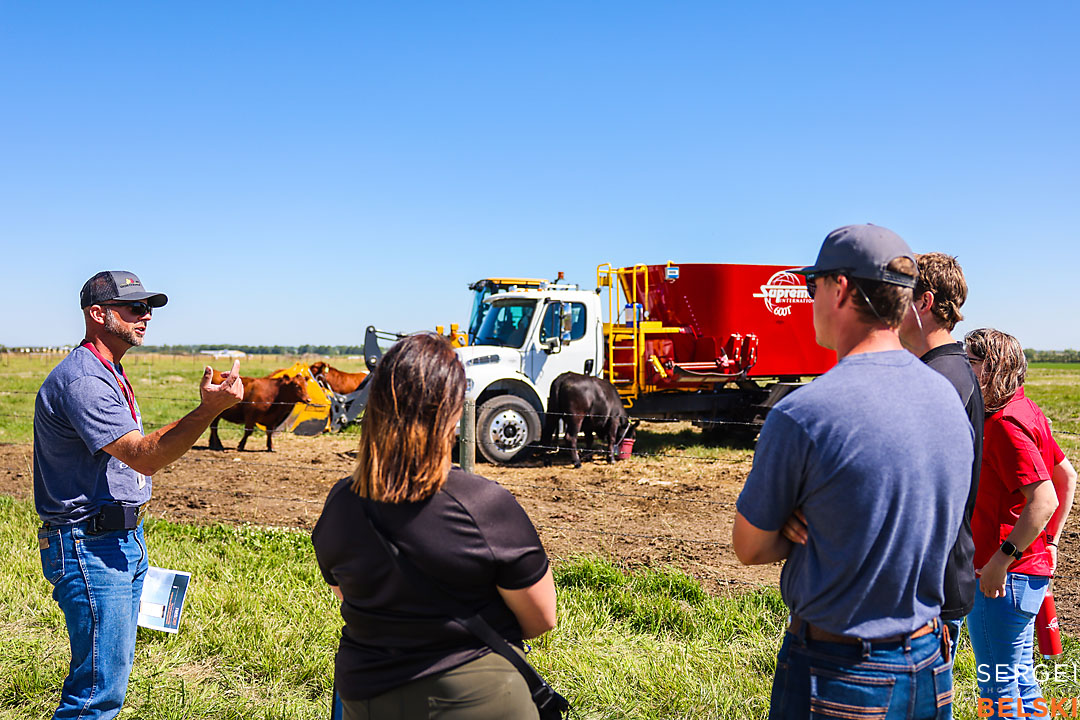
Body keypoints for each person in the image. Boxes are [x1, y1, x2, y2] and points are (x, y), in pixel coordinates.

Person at [732, 224, 972, 720]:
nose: (809, 298)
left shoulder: (804, 413)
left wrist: (804, 525)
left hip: (840, 669)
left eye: (811, 286)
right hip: (931, 662)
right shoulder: (948, 398)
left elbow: (750, 546)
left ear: (839, 288)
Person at [34, 270, 244, 720]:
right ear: (98, 314)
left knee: (106, 685)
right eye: (134, 308)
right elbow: (144, 456)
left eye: (148, 307)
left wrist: (203, 409)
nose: (146, 316)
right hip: (90, 545)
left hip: (119, 541)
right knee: (95, 697)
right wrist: (209, 411)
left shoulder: (109, 370)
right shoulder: (84, 380)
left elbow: (137, 448)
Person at [312, 333, 556, 720]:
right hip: (476, 692)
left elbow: (346, 593)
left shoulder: (341, 502)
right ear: (454, 411)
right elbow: (541, 618)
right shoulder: (484, 504)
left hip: (365, 691)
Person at [963, 328, 1076, 711]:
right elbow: (1067, 476)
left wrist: (1001, 559)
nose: (964, 368)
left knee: (998, 693)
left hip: (1002, 579)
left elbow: (1044, 498)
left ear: (993, 369)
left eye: (972, 362)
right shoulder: (1025, 409)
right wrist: (1051, 543)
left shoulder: (1004, 427)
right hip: (1024, 573)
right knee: (1021, 686)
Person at [898, 252, 984, 657]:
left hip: (928, 586)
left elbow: (917, 493)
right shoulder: (950, 369)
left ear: (925, 302)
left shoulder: (940, 380)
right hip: (937, 577)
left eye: (899, 297)